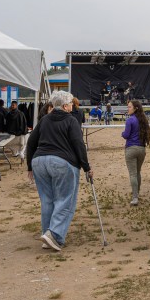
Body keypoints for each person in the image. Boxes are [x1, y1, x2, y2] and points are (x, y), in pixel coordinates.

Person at [26, 91, 91, 251]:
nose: (72, 106)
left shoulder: (44, 120)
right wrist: (86, 167)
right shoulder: (71, 120)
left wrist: (29, 165)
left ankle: (46, 235)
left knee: (47, 200)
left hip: (39, 162)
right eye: (70, 103)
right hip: (62, 162)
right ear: (64, 106)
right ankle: (54, 235)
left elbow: (31, 142)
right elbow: (78, 143)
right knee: (65, 200)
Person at [122, 99, 150, 206]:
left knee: (133, 174)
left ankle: (135, 197)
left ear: (135, 108)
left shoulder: (130, 120)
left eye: (129, 107)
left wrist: (122, 134)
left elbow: (126, 135)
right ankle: (136, 193)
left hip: (131, 149)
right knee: (138, 172)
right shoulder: (143, 120)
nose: (128, 108)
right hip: (141, 149)